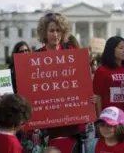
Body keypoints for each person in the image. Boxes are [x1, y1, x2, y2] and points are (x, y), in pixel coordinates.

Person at [20, 12, 97, 153]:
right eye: (51, 30)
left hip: (70, 119)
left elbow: (81, 84)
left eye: (58, 30)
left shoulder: (73, 54)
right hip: (44, 120)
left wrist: (89, 96)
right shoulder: (34, 57)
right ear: (45, 32)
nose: (55, 34)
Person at [93, 36, 124, 146]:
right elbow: (98, 97)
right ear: (112, 50)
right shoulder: (102, 71)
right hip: (109, 121)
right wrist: (99, 121)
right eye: (121, 48)